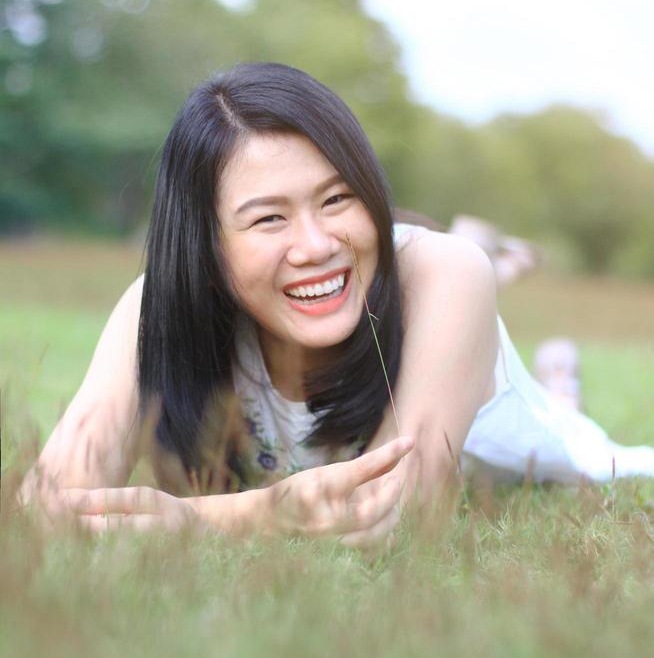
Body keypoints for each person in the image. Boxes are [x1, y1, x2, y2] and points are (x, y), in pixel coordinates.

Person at [20, 63, 654, 547]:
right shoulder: (155, 310)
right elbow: (41, 504)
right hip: (395, 288)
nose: (315, 243)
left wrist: (201, 519)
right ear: (206, 247)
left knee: (560, 426)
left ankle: (554, 376)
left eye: (337, 198)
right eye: (268, 218)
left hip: (493, 415)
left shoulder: (446, 273)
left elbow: (395, 513)